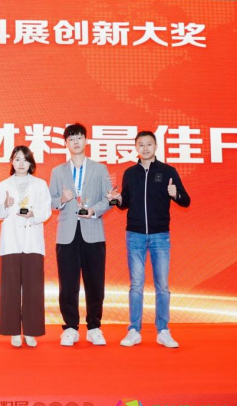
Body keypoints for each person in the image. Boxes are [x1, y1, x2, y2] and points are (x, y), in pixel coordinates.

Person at [112, 131, 191, 348]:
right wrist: (117, 200)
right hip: (135, 235)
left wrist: (175, 194)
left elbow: (186, 201)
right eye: (141, 145)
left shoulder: (168, 171)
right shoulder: (130, 173)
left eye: (149, 144)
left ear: (156, 146)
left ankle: (163, 330)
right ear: (136, 148)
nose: (145, 148)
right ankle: (134, 330)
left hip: (160, 235)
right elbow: (125, 203)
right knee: (136, 285)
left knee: (162, 286)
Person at [49, 123, 113, 347]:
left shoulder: (100, 169)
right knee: (68, 283)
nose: (75, 142)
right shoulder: (57, 171)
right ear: (66, 143)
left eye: (79, 138)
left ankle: (94, 327)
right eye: (71, 139)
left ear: (86, 140)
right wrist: (62, 199)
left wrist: (94, 210)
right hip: (67, 234)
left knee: (95, 282)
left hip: (93, 231)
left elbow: (109, 199)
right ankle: (70, 327)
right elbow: (50, 201)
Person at [0, 146, 52, 348]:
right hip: (11, 242)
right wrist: (5, 205)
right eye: (17, 159)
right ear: (11, 161)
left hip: (32, 241)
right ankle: (13, 331)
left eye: (25, 159)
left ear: (30, 163)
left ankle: (31, 331)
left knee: (33, 288)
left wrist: (34, 215)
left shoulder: (40, 184)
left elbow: (47, 211)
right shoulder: (3, 185)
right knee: (10, 288)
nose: (21, 163)